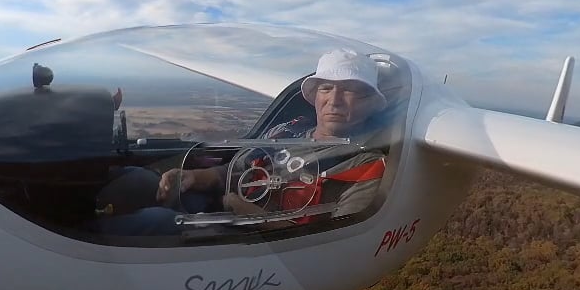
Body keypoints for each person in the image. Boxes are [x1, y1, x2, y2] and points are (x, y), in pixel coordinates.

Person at [97, 48, 391, 236]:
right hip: (222, 209)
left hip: (261, 244)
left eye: (351, 91)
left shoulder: (365, 165)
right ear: (315, 97)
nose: (335, 101)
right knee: (135, 180)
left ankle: (91, 244)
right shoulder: (285, 132)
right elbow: (239, 169)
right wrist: (192, 177)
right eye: (326, 88)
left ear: (371, 104)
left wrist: (248, 214)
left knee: (157, 223)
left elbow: (334, 238)